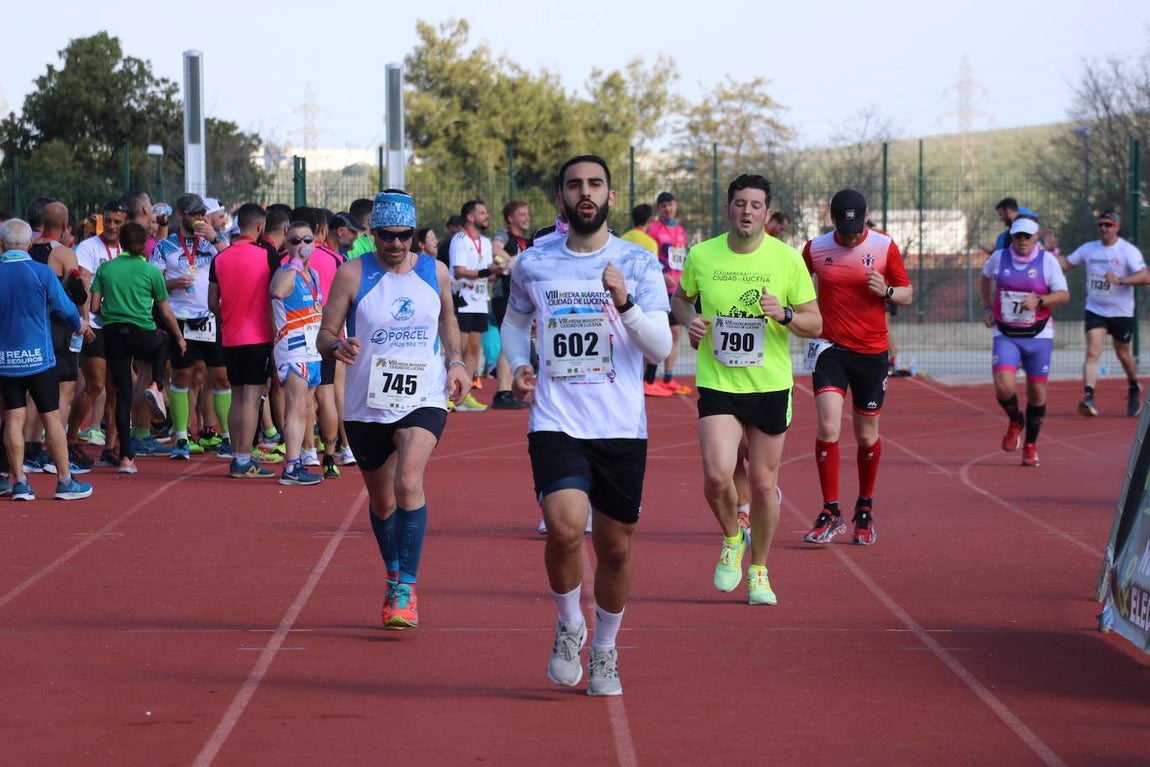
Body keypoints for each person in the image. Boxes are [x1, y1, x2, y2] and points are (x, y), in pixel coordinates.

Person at [501, 155, 672, 696]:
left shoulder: (638, 264)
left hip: (621, 424)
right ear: (561, 199)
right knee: (565, 526)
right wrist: (518, 365)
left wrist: (624, 302)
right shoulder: (534, 262)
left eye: (595, 184)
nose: (585, 192)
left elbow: (662, 348)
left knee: (616, 548)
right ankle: (570, 621)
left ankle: (605, 648)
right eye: (575, 184)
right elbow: (515, 319)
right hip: (556, 418)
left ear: (611, 197)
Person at [318, 190, 470, 630]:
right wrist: (338, 345)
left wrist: (456, 360)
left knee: (408, 480)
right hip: (367, 402)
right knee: (382, 501)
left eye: (406, 236)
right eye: (388, 236)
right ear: (374, 233)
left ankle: (406, 586)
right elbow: (324, 333)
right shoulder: (351, 274)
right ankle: (391, 572)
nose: (397, 244)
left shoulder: (434, 270)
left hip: (423, 393)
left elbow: (447, 318)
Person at [672, 174, 821, 605]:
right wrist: (688, 320)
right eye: (740, 203)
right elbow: (681, 298)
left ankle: (759, 570)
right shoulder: (702, 255)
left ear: (767, 213)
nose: (747, 211)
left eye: (756, 205)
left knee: (761, 482)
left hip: (769, 385)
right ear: (728, 210)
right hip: (718, 381)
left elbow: (816, 324)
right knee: (718, 476)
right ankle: (732, 538)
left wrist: (787, 313)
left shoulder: (787, 259)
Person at [802, 189, 913, 545]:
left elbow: (907, 293)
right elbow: (795, 284)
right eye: (842, 227)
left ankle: (864, 506)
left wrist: (887, 291)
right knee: (828, 425)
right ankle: (830, 509)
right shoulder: (815, 248)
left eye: (855, 227)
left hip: (871, 352)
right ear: (831, 218)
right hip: (830, 348)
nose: (849, 235)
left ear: (866, 217)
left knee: (866, 436)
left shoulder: (884, 246)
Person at [0, 218, 92, 501]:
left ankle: (19, 482)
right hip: (39, 359)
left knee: (13, 418)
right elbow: (66, 310)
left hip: (5, 360)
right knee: (51, 416)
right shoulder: (41, 272)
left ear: (2, 244)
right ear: (29, 243)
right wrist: (82, 327)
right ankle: (65, 480)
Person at [90, 222, 186, 474]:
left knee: (123, 395)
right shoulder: (151, 271)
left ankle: (126, 458)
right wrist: (179, 337)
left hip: (114, 336)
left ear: (120, 242)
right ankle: (156, 385)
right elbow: (165, 311)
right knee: (164, 339)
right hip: (143, 334)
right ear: (144, 244)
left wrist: (115, 308)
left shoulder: (106, 269)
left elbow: (94, 308)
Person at [980, 217, 1070, 467]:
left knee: (1037, 393)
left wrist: (1039, 301)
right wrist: (988, 307)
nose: (1021, 241)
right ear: (1012, 236)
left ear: (1036, 237)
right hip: (1006, 333)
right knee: (1003, 387)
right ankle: (1015, 419)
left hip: (1038, 335)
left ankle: (1030, 444)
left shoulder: (1047, 261)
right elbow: (985, 277)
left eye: (1027, 237)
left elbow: (1063, 295)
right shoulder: (999, 258)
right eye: (1017, 236)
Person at [207, 202, 277, 477]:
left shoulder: (220, 258)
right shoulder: (266, 255)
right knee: (251, 397)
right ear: (260, 227)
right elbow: (276, 295)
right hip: (258, 336)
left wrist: (229, 315)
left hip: (230, 335)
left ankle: (237, 455)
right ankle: (243, 459)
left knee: (237, 397)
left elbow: (212, 301)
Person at [1058, 210, 1148, 417]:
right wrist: (1050, 251)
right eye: (1100, 225)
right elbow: (1066, 264)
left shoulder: (1128, 251)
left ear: (1116, 227)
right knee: (1092, 351)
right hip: (1095, 309)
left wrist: (1121, 280)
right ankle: (1088, 397)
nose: (1103, 228)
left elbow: (1144, 275)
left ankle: (1133, 385)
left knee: (1123, 354)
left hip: (1121, 311)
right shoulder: (1089, 249)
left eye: (1108, 225)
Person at [271, 222, 326, 486]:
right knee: (295, 407)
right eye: (295, 241)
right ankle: (290, 468)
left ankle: (303, 458)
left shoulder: (313, 274)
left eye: (307, 240)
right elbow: (277, 292)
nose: (302, 246)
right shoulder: (285, 272)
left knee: (306, 407)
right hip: (293, 349)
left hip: (312, 349)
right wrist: (293, 263)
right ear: (287, 243)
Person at [449, 200, 504, 411]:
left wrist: (495, 272)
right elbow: (459, 271)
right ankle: (449, 393)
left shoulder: (486, 242)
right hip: (463, 298)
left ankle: (466, 393)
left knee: (473, 349)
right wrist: (486, 272)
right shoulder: (460, 239)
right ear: (471, 217)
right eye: (483, 212)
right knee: (459, 349)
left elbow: (488, 276)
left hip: (480, 301)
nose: (487, 215)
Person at [645, 191, 691, 396]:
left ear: (676, 205)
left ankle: (668, 378)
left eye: (670, 204)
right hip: (659, 289)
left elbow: (680, 259)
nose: (668, 209)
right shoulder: (653, 230)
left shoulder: (681, 231)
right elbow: (648, 257)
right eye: (663, 206)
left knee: (675, 333)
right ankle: (648, 379)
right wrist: (661, 274)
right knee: (658, 332)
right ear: (659, 209)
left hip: (677, 290)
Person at [490, 200, 533, 410]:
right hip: (504, 295)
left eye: (527, 214)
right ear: (511, 218)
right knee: (508, 340)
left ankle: (510, 388)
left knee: (518, 341)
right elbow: (495, 249)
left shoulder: (526, 241)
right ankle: (502, 391)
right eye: (522, 214)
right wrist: (515, 262)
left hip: (520, 296)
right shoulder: (504, 235)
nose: (527, 217)